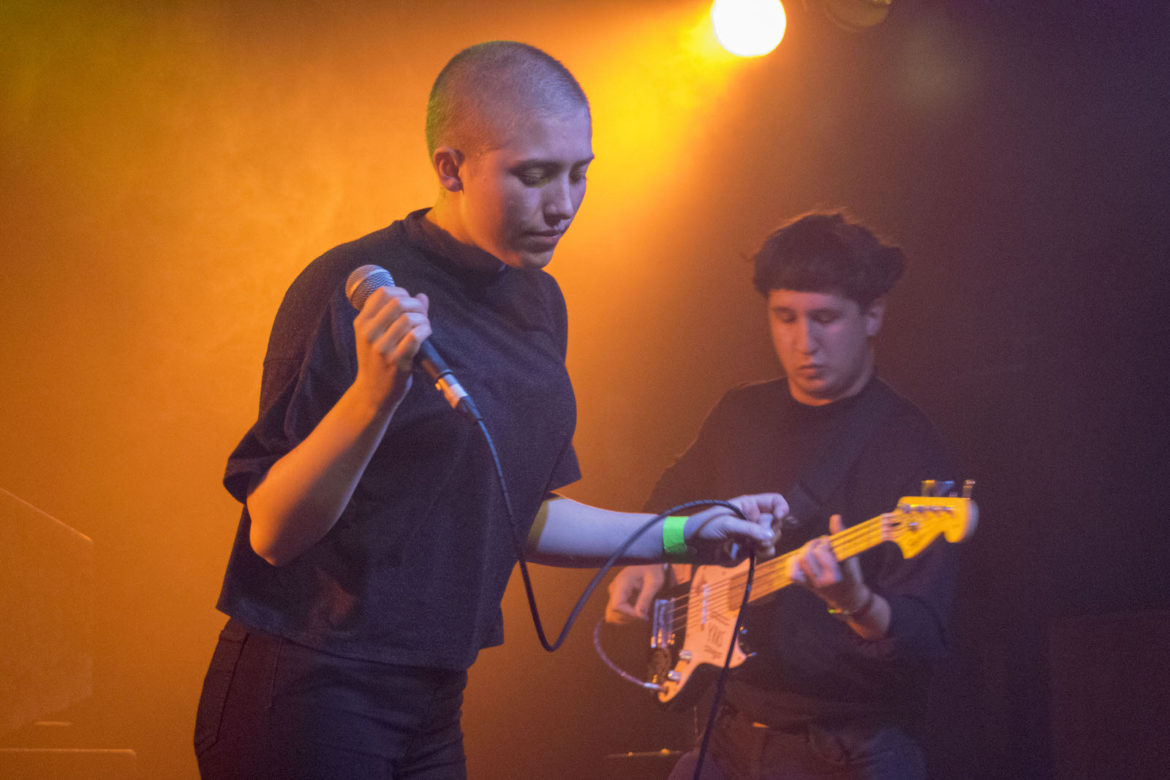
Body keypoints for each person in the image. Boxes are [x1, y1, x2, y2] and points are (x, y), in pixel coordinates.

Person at [193, 41, 784, 779]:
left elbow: (520, 512)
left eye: (579, 174)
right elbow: (275, 532)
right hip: (311, 687)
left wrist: (682, 534)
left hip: (434, 697)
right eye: (534, 176)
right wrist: (372, 398)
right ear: (450, 168)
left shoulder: (538, 301)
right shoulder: (352, 289)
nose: (563, 204)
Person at [606, 211, 959, 779]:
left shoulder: (909, 447)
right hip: (731, 731)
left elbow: (923, 636)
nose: (803, 342)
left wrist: (856, 601)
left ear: (873, 316)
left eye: (825, 318)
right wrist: (651, 557)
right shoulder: (739, 414)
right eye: (785, 317)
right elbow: (673, 498)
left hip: (851, 749)